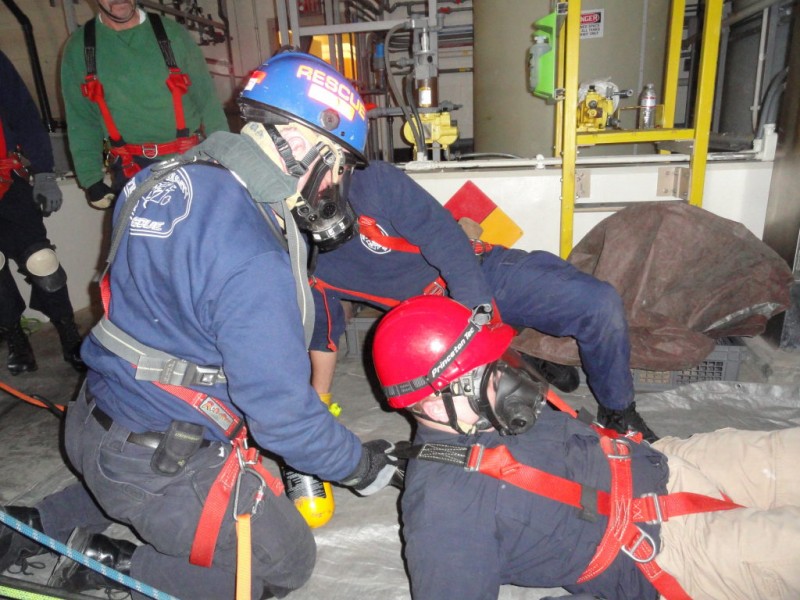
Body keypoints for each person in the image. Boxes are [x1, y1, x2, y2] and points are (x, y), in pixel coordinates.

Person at [0, 52, 400, 599]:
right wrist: (359, 467)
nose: (338, 183)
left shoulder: (162, 178)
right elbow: (283, 419)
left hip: (96, 417)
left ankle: (32, 524)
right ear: (307, 145)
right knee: (281, 565)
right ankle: (97, 571)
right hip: (156, 457)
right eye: (341, 165)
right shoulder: (256, 254)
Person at [371, 295, 800, 600]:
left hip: (667, 461)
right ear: (432, 400)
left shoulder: (483, 412)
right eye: (483, 373)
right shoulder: (444, 514)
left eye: (494, 363)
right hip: (669, 549)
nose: (503, 377)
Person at [308, 159, 656, 441]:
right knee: (478, 426)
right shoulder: (301, 258)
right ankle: (526, 358)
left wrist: (478, 319)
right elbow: (323, 337)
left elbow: (445, 239)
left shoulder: (373, 181)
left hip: (480, 273)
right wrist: (318, 404)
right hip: (429, 331)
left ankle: (618, 410)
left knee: (597, 304)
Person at [60, 0, 229, 209]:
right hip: (130, 168)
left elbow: (207, 100)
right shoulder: (80, 48)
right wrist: (91, 179)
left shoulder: (171, 34)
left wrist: (225, 155)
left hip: (188, 160)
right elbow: (82, 120)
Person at [0, 50, 85, 374]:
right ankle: (15, 339)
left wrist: (45, 172)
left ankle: (68, 333)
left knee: (41, 260)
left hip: (8, 181)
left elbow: (23, 113)